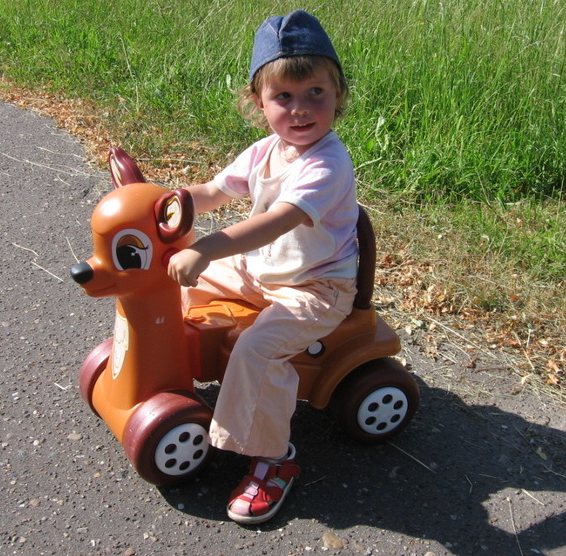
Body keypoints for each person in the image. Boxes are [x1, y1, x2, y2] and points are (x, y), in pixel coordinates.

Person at [167, 9, 359, 524]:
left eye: (315, 92)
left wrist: (205, 247)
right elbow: (212, 192)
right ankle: (175, 370)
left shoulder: (327, 163)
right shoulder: (265, 151)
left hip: (316, 288)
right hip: (265, 271)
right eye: (284, 97)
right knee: (179, 285)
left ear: (338, 93)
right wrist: (165, 203)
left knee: (258, 348)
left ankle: (275, 458)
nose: (301, 109)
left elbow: (276, 222)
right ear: (259, 102)